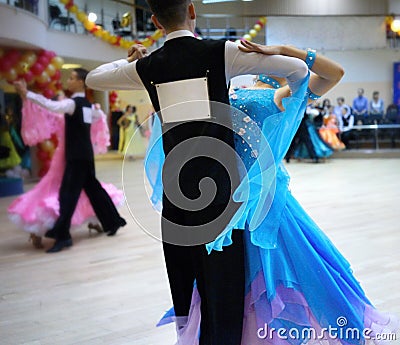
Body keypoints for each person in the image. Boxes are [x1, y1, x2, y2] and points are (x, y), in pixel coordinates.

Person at [86, 1, 310, 344]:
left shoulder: (148, 66)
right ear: (192, 9)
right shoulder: (222, 53)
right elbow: (297, 70)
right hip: (221, 195)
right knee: (224, 290)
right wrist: (273, 50)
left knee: (187, 288)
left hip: (176, 197)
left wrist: (131, 60)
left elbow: (94, 78)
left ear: (156, 21)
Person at [148, 40, 398, 344]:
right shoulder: (221, 84)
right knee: (230, 278)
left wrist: (286, 51)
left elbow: (335, 74)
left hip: (263, 199)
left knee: (289, 271)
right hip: (226, 198)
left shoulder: (279, 94)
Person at [14, 68, 126, 253]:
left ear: (81, 82)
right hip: (86, 156)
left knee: (68, 195)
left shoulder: (73, 104)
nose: (69, 81)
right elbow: (99, 118)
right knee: (94, 190)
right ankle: (113, 222)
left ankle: (63, 236)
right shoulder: (89, 106)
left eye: (73, 78)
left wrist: (27, 94)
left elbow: (50, 105)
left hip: (76, 157)